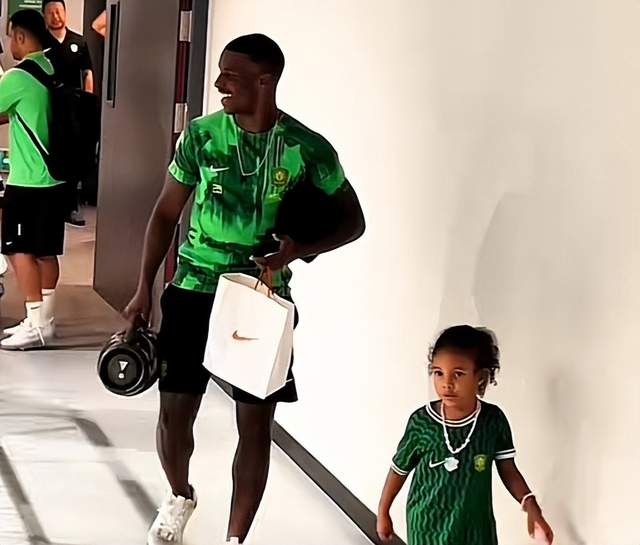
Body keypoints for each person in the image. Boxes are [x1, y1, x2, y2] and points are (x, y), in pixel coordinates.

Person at [123, 34, 365, 545]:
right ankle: (179, 495)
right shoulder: (201, 136)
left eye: (230, 76)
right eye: (219, 73)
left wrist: (297, 250)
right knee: (174, 414)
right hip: (193, 286)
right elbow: (165, 212)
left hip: (261, 297)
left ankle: (235, 538)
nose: (219, 84)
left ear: (265, 81)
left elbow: (353, 221)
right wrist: (143, 286)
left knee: (254, 425)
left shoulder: (307, 148)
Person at [377, 326, 554, 545]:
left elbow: (508, 469)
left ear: (481, 377)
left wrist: (531, 505)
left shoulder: (492, 421)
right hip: (427, 527)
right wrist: (383, 511)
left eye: (458, 374)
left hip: (475, 528)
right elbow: (399, 469)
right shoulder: (422, 422)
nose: (446, 383)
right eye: (438, 373)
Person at [0, 10, 65, 350]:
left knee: (18, 250)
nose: (10, 44)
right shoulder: (54, 68)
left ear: (21, 36)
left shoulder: (18, 76)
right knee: (46, 252)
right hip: (56, 178)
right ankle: (44, 321)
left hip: (27, 180)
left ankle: (36, 324)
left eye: (11, 36)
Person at [43, 0, 93, 227]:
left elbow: (87, 72)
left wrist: (88, 101)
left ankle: (71, 206)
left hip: (74, 107)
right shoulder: (41, 42)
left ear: (65, 12)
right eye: (50, 13)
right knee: (50, 151)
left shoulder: (78, 41)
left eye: (59, 11)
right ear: (44, 16)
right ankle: (50, 204)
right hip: (48, 104)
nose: (55, 16)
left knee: (73, 154)